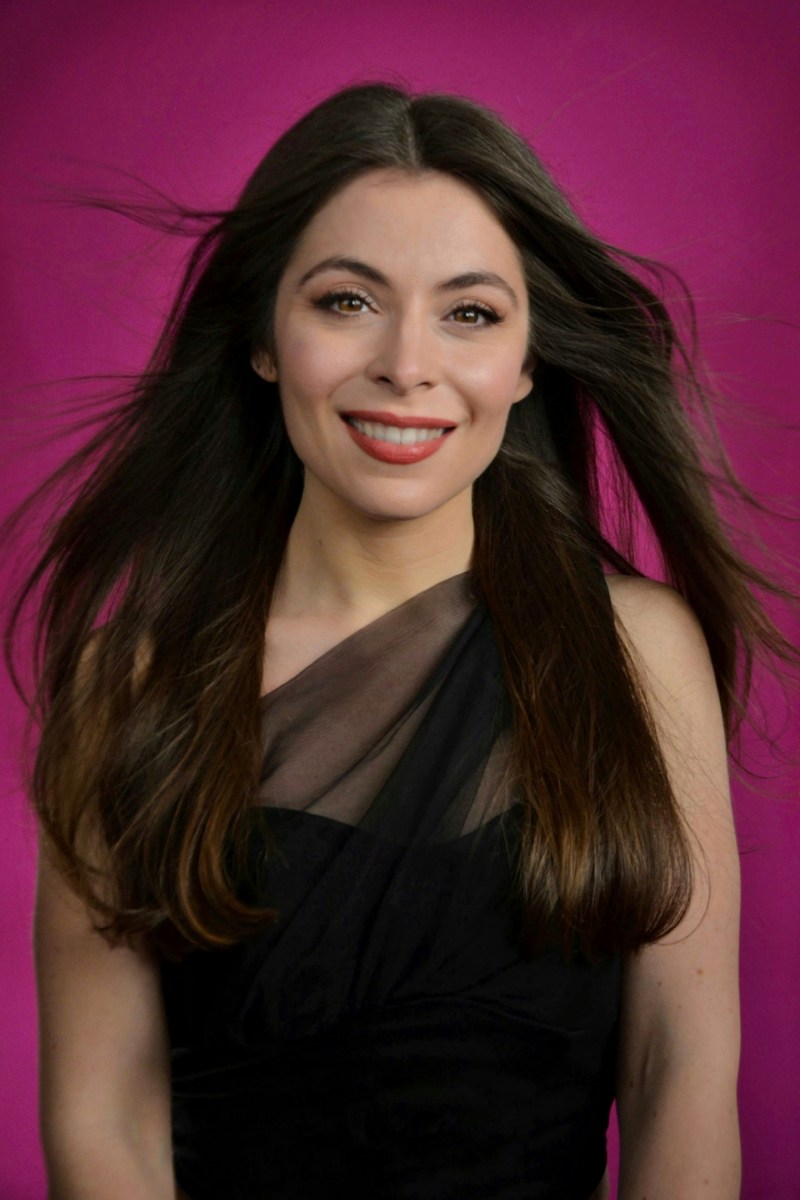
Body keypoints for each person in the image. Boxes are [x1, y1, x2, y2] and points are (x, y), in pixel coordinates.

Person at [9, 80, 796, 1199]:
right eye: (347, 302)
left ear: (527, 361)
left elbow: (681, 1077)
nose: (406, 364)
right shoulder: (128, 686)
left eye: (469, 313)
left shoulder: (637, 653)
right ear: (264, 337)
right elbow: (105, 1122)